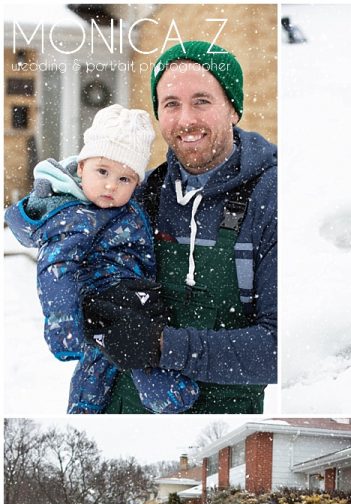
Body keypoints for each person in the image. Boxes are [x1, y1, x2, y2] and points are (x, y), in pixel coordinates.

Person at [82, 41, 278, 413]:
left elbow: (278, 349)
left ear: (232, 109)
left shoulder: (271, 196)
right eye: (171, 104)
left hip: (219, 409)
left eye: (201, 101)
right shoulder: (140, 194)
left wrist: (162, 345)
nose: (185, 120)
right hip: (126, 406)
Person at [4, 104, 200, 413]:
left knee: (145, 335)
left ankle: (156, 384)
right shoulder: (73, 215)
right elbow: (56, 267)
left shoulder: (124, 204)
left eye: (124, 179)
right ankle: (94, 407)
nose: (111, 185)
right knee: (110, 356)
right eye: (103, 172)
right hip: (101, 299)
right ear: (81, 168)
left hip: (134, 290)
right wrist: (63, 321)